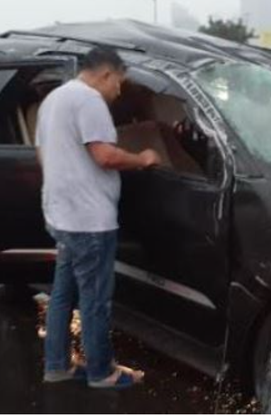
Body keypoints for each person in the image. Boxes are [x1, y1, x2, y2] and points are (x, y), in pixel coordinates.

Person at [36, 47, 161, 389]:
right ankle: (101, 372)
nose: (118, 91)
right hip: (89, 221)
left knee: (62, 294)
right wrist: (144, 159)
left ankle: (57, 365)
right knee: (94, 300)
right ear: (106, 74)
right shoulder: (89, 101)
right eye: (118, 83)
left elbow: (43, 154)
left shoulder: (53, 100)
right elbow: (105, 156)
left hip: (61, 215)